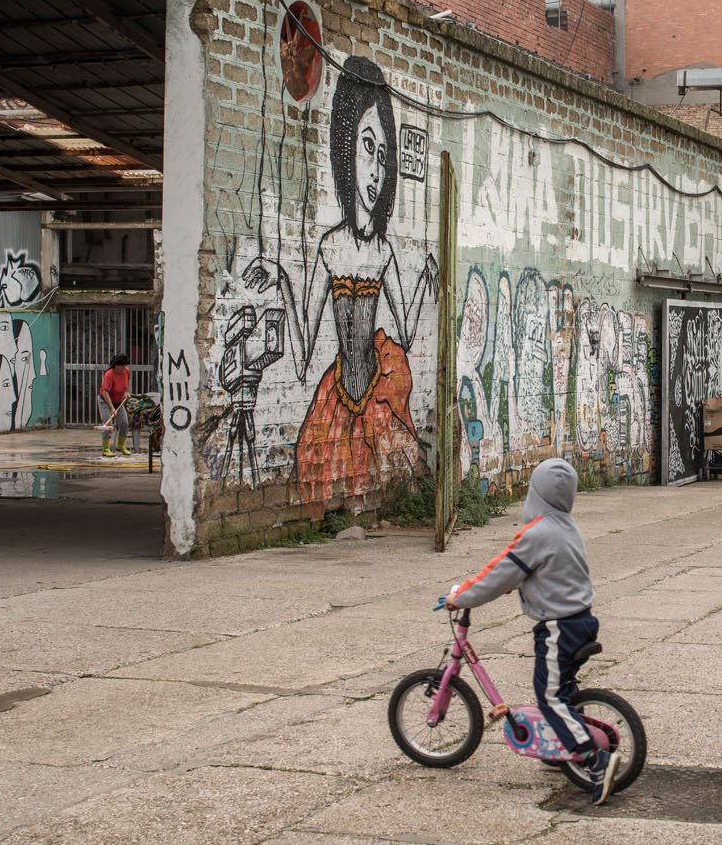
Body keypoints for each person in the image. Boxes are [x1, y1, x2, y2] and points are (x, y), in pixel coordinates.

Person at [245, 55, 438, 511]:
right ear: (345, 148)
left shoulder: (384, 251)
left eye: (383, 153)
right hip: (339, 399)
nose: (376, 169)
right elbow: (304, 343)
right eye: (366, 147)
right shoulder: (330, 248)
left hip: (376, 390)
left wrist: (426, 279)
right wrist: (282, 280)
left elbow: (407, 333)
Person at [446, 457, 619, 805]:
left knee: (550, 696)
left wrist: (460, 596)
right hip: (581, 620)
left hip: (559, 627)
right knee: (563, 690)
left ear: (535, 492)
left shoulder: (536, 533)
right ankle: (560, 745)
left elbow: (498, 572)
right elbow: (551, 570)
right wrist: (523, 583)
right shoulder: (567, 525)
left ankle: (591, 758)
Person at [99, 352, 133, 457]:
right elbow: (105, 392)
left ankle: (120, 445)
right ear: (116, 365)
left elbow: (126, 382)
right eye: (121, 366)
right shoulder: (109, 374)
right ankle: (105, 448)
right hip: (105, 400)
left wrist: (126, 392)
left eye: (125, 366)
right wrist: (112, 408)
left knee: (124, 423)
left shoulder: (126, 371)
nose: (123, 368)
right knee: (107, 424)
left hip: (119, 400)